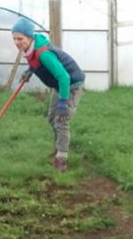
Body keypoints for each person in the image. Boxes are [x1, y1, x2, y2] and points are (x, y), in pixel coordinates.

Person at [11, 17, 85, 171]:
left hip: (71, 85)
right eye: (14, 38)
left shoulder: (43, 53)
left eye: (20, 38)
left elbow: (64, 77)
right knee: (52, 118)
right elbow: (36, 62)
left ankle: (61, 159)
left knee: (61, 120)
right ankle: (58, 149)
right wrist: (30, 70)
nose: (17, 42)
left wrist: (63, 103)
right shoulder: (31, 47)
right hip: (60, 86)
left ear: (29, 37)